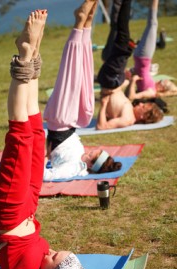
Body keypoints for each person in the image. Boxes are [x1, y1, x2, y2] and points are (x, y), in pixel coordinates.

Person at [0, 7, 87, 269]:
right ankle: (34, 52)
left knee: (20, 138)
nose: (50, 250)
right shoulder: (43, 262)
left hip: (10, 210)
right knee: (38, 136)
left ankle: (23, 58)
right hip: (28, 204)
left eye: (54, 257)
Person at [43, 0, 122, 181]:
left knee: (72, 73)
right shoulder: (80, 163)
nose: (92, 150)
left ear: (91, 164)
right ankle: (86, 22)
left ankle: (82, 22)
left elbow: (46, 176)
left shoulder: (73, 168)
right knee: (81, 74)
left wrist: (41, 157)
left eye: (94, 154)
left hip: (62, 121)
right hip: (70, 121)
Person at [96, 0, 163, 130]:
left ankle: (126, 2)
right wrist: (127, 81)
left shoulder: (128, 119)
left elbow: (101, 126)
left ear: (144, 116)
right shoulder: (130, 111)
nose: (140, 105)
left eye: (143, 107)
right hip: (115, 80)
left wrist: (103, 105)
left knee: (122, 37)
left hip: (111, 81)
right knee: (119, 36)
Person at [126, 0, 177, 101]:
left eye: (164, 82)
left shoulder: (151, 92)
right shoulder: (152, 87)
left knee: (153, 24)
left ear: (162, 88)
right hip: (142, 57)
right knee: (152, 25)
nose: (162, 80)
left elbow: (132, 97)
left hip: (143, 57)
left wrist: (133, 80)